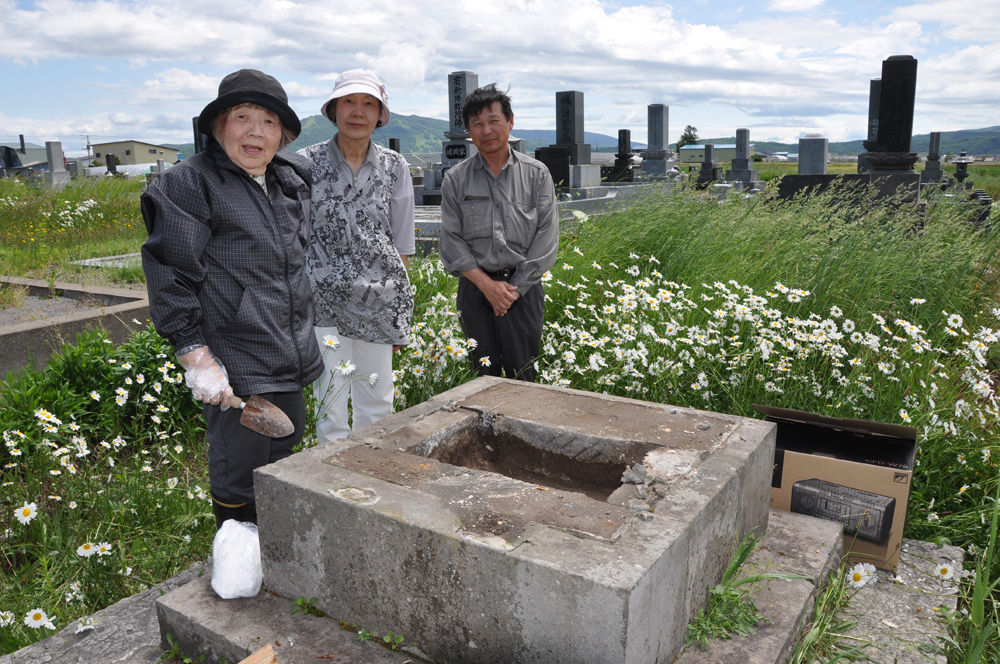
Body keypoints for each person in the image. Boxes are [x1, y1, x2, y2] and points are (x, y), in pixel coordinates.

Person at [140, 69, 323, 528]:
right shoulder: (190, 183)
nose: (255, 131)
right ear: (219, 125)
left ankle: (275, 551)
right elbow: (170, 270)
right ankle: (237, 563)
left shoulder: (288, 181)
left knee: (284, 451)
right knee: (239, 472)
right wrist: (196, 357)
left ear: (282, 134)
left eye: (269, 121)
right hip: (236, 357)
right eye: (242, 116)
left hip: (289, 348)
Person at [299, 69, 415, 442]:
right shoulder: (304, 163)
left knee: (377, 398)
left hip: (378, 302)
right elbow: (296, 235)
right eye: (349, 101)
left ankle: (372, 476)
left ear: (380, 114)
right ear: (333, 109)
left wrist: (400, 309)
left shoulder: (395, 166)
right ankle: (332, 483)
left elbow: (401, 244)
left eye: (369, 103)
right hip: (324, 303)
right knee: (330, 397)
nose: (358, 111)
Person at [439, 84, 558, 382]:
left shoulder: (537, 174)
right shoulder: (456, 179)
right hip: (475, 291)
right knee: (482, 378)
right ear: (468, 130)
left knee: (524, 377)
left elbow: (546, 239)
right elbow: (451, 240)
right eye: (477, 124)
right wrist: (487, 287)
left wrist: (512, 289)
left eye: (493, 121)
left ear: (510, 122)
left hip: (523, 290)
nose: (486, 130)